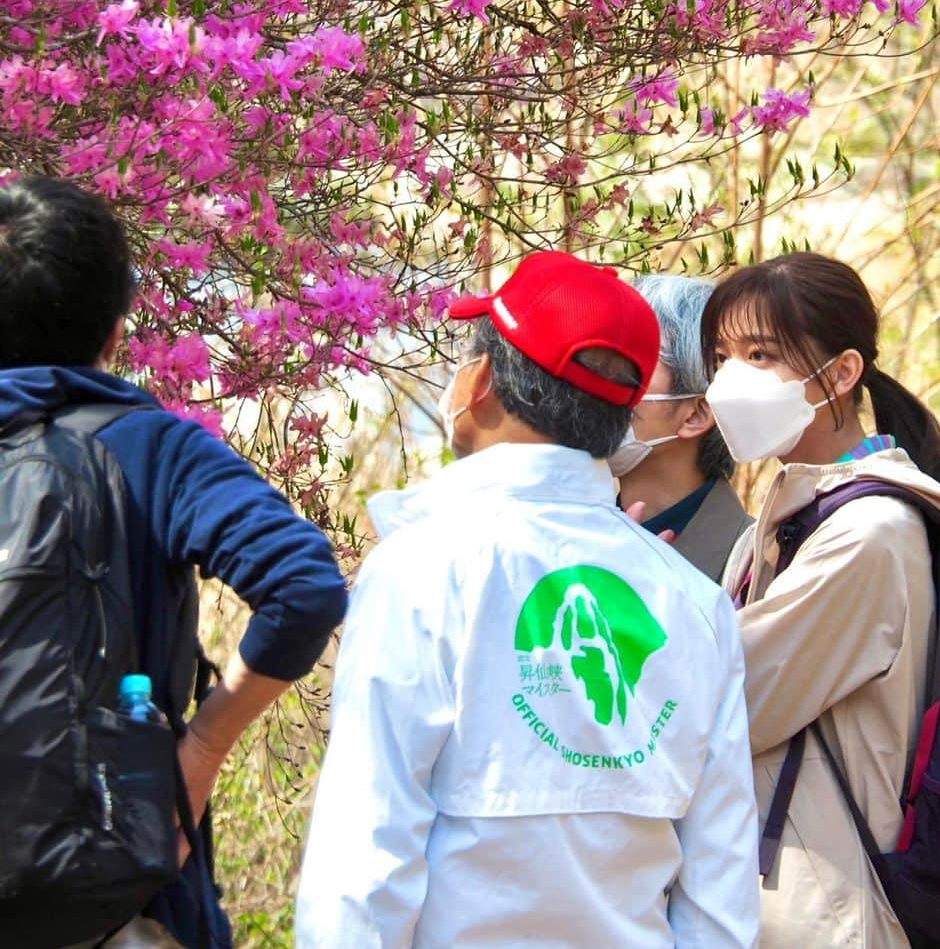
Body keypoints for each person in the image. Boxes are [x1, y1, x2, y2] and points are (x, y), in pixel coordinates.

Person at [296, 249, 759, 948]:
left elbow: (365, 854)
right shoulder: (693, 602)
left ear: (480, 381)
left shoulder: (424, 567)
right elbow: (720, 890)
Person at [0, 177, 348, 947]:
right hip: (124, 894)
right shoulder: (149, 447)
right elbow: (304, 584)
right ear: (117, 328)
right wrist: (201, 751)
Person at [700, 251, 940, 947]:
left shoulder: (868, 534)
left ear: (842, 373)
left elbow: (727, 700)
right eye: (722, 355)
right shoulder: (800, 513)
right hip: (784, 907)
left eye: (761, 354)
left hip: (827, 917)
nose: (729, 381)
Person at [615, 274, 752, 585]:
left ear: (697, 414)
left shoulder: (757, 570)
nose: (598, 385)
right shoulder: (570, 541)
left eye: (628, 366)